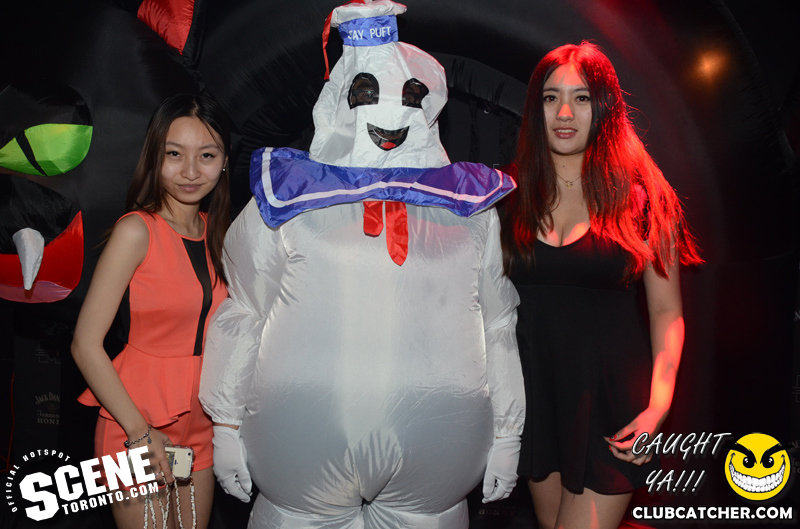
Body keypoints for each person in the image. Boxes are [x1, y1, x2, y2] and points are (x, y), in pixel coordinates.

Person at [199, 2, 524, 528]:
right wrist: (225, 424)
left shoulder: (469, 212)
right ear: (340, 101)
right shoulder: (287, 200)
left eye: (411, 98)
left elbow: (498, 323)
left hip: (435, 465)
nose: (391, 114)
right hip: (299, 457)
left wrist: (509, 433)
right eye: (367, 94)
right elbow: (245, 311)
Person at [499, 42, 702, 529]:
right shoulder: (506, 197)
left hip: (612, 411)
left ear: (605, 107)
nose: (565, 113)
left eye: (582, 98)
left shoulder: (644, 200)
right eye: (551, 98)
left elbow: (667, 313)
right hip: (535, 405)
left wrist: (657, 409)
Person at [72, 92, 231, 529]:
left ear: (224, 162)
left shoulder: (221, 234)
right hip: (136, 424)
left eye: (207, 155)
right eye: (174, 154)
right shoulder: (136, 231)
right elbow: (85, 344)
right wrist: (139, 432)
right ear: (154, 156)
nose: (191, 171)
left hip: (201, 426)